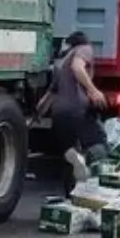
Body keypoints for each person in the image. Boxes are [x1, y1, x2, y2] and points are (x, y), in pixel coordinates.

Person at [48, 31, 107, 196]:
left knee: (69, 155)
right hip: (78, 109)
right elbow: (77, 67)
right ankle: (88, 187)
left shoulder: (61, 61)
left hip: (59, 114)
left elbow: (50, 93)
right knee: (99, 143)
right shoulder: (84, 50)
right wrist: (93, 90)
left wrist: (35, 116)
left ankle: (70, 195)